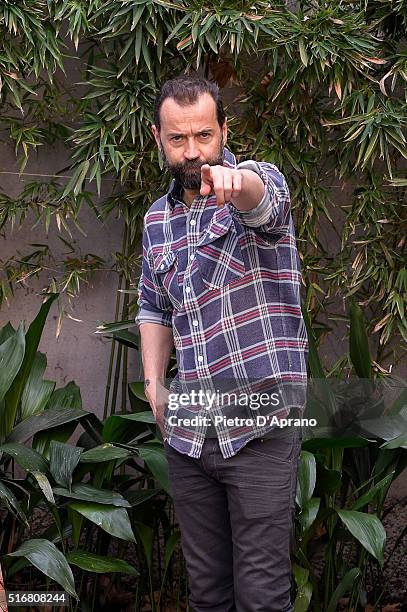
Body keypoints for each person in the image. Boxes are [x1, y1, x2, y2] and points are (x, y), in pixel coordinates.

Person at [135, 74, 309, 612]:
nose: (193, 152)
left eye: (204, 136)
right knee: (207, 594)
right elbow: (153, 307)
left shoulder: (257, 184)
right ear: (158, 138)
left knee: (261, 597)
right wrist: (154, 386)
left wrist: (239, 185)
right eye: (178, 139)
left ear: (224, 130)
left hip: (260, 426)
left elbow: (266, 201)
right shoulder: (157, 220)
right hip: (189, 437)